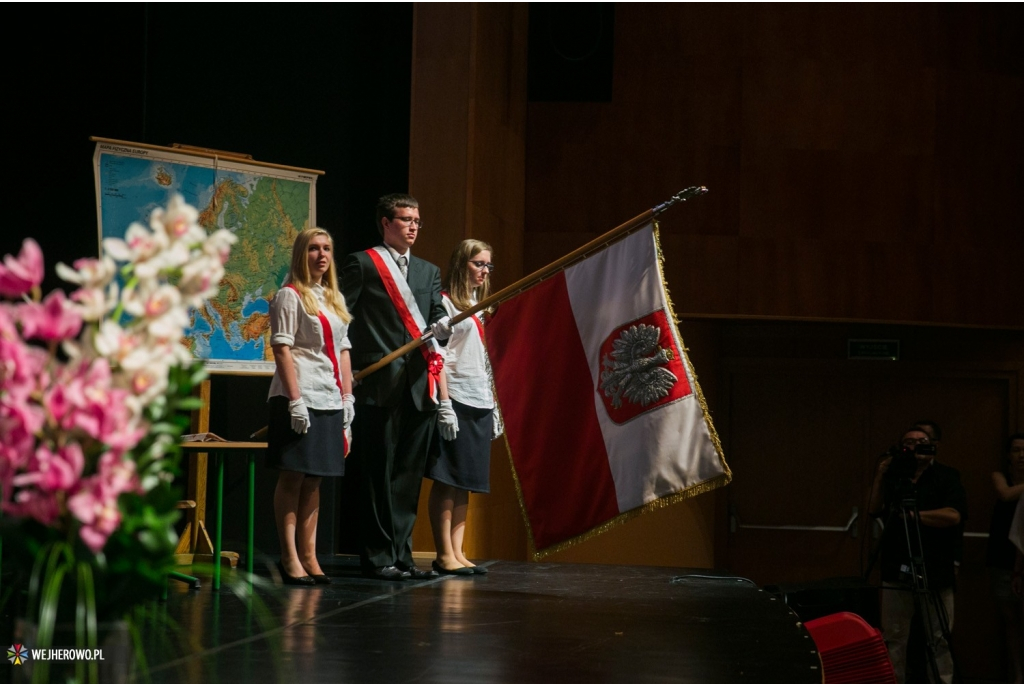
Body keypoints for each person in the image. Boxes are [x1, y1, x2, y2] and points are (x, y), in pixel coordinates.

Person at [340, 193, 455, 581]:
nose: (413, 227)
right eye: (405, 219)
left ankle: (402, 556)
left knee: (407, 477)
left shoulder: (428, 271)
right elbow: (342, 320)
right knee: (378, 476)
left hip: (419, 385)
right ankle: (377, 556)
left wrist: (443, 326)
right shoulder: (362, 263)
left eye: (417, 221)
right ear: (386, 223)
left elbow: (439, 319)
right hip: (378, 384)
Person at [267, 228, 355, 586]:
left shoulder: (333, 298)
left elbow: (344, 351)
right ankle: (290, 557)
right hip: (298, 396)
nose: (321, 255)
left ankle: (310, 555)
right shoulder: (290, 296)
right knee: (293, 476)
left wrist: (347, 398)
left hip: (329, 395)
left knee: (316, 479)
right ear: (301, 255)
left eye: (327, 249)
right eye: (314, 249)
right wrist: (295, 400)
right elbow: (282, 348)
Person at [868, 426, 967, 684]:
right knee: (894, 636)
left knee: (939, 636)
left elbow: (953, 515)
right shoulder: (895, 477)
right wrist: (881, 475)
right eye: (909, 442)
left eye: (922, 441)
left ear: (932, 445)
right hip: (896, 566)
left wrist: (913, 517)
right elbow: (874, 509)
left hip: (935, 567)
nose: (915, 446)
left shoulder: (946, 476)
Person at [426, 240, 501, 576]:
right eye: (478, 264)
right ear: (462, 264)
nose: (483, 271)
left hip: (480, 397)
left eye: (487, 265)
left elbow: (486, 360)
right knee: (448, 478)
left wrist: (495, 405)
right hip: (455, 397)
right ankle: (443, 552)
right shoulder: (445, 304)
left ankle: (458, 550)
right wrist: (444, 403)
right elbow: (437, 357)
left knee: (465, 481)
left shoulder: (481, 306)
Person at [987, 433, 1024, 682]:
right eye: (1016, 450)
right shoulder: (1000, 476)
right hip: (1002, 555)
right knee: (1010, 620)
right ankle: (1016, 675)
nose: (1021, 455)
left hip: (1023, 554)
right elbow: (1006, 494)